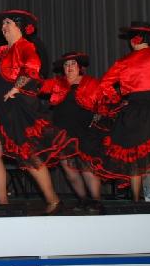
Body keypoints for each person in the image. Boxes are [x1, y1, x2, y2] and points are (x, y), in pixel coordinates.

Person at [0, 10, 77, 214]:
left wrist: (16, 87)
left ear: (19, 26)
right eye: (2, 24)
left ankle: (53, 200)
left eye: (8, 23)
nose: (3, 27)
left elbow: (32, 67)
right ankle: (3, 204)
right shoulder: (2, 51)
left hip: (18, 105)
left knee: (29, 155)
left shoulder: (26, 46)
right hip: (0, 107)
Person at [96, 21, 150, 202]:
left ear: (132, 41)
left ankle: (136, 201)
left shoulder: (123, 62)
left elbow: (104, 84)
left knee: (134, 160)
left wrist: (117, 98)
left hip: (134, 112)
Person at [39, 52, 105, 213]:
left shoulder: (91, 82)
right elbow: (38, 86)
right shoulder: (57, 83)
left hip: (85, 131)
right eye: (66, 65)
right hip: (63, 132)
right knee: (69, 169)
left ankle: (96, 202)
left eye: (73, 64)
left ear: (79, 66)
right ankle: (83, 200)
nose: (69, 67)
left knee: (87, 167)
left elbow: (103, 103)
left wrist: (96, 120)